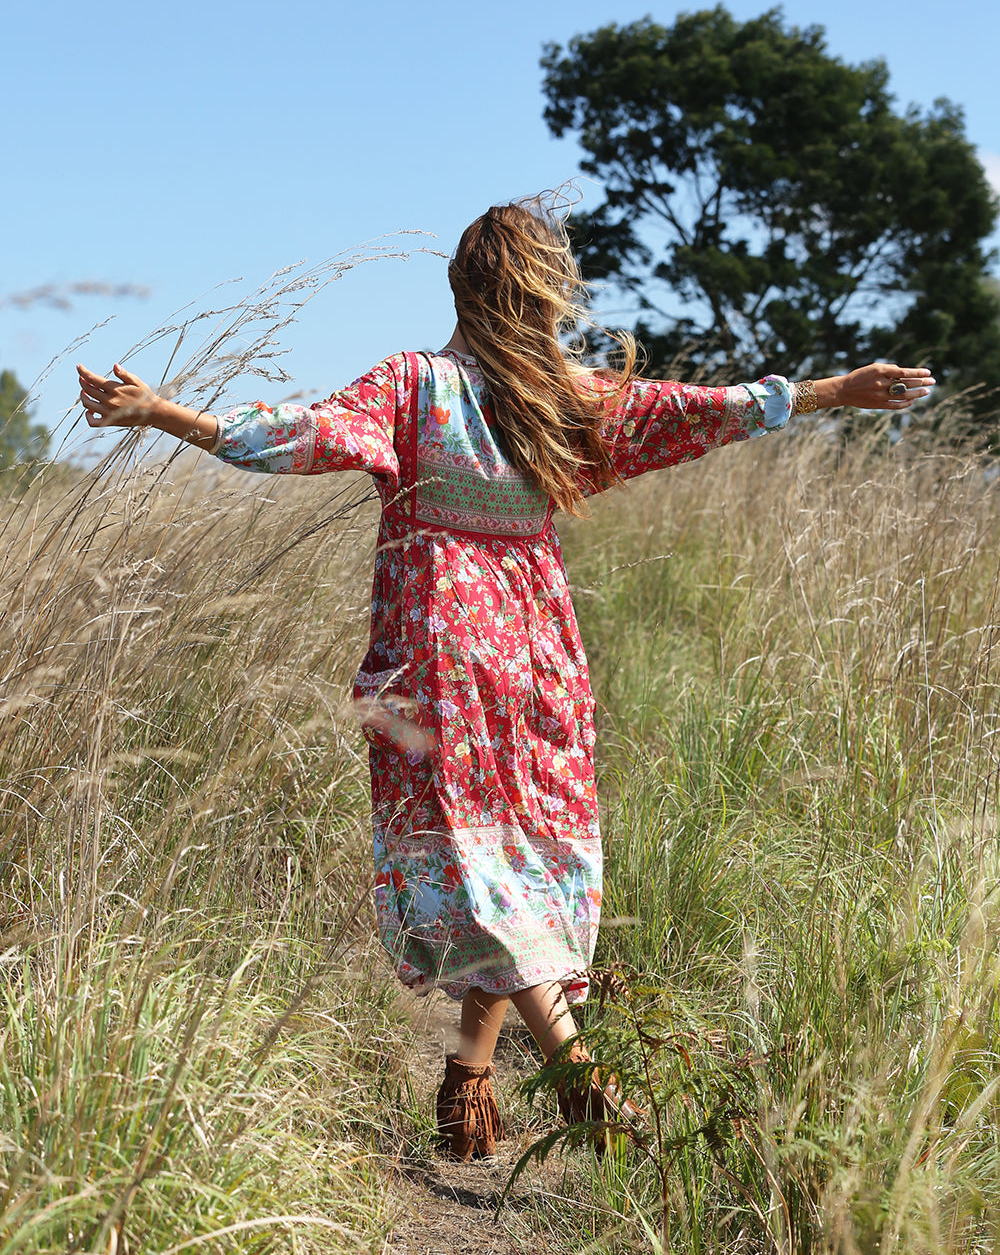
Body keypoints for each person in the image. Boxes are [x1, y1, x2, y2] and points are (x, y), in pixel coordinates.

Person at [77, 197, 935, 1162]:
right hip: (539, 655)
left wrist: (164, 414)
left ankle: (574, 1071)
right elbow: (707, 411)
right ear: (545, 295)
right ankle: (471, 1084)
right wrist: (832, 390)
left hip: (436, 655)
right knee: (517, 857)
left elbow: (297, 435)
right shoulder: (564, 396)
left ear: (459, 285)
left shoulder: (417, 386)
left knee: (479, 868)